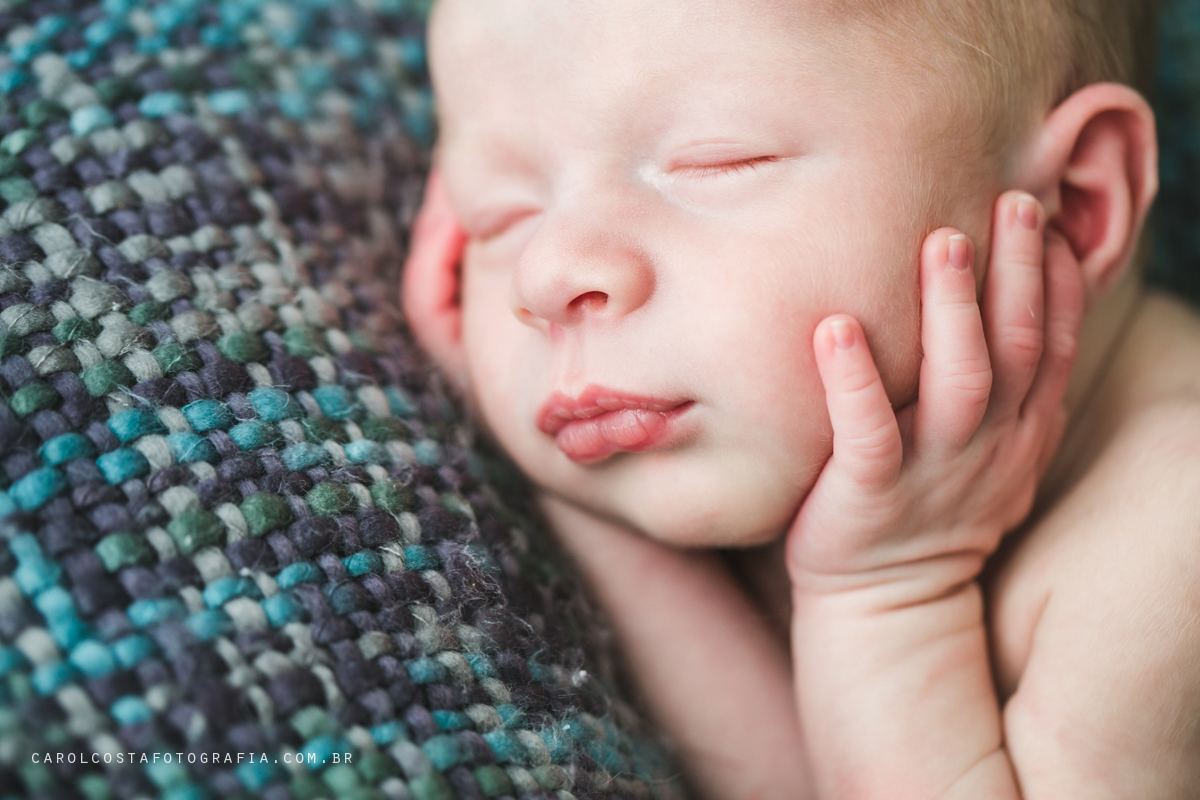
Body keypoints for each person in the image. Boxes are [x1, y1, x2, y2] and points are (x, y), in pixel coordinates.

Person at [402, 0, 1200, 797]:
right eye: (499, 214)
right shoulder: (817, 456)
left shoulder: (1170, 534)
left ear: (1073, 203)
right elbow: (784, 778)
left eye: (712, 162)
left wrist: (893, 594)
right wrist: (563, 483)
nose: (543, 277)